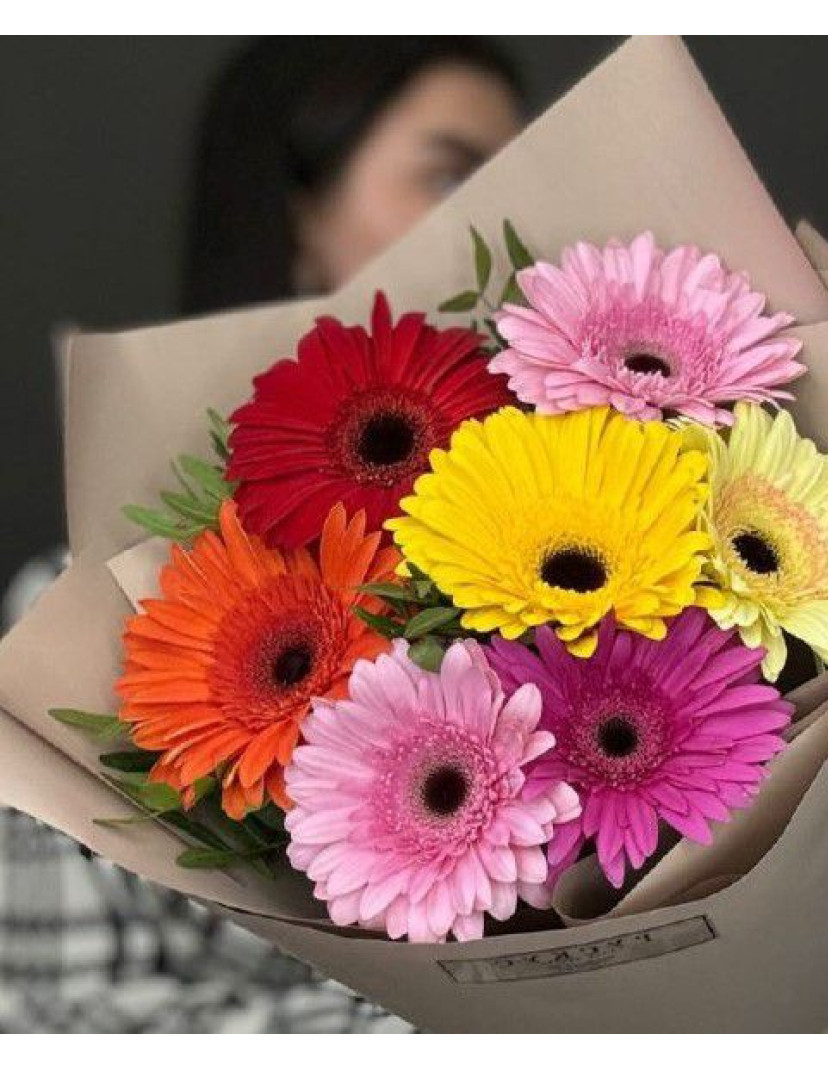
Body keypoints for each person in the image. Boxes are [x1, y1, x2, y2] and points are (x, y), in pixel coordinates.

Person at [0, 36, 525, 1034]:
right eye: (452, 174)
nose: (509, 212)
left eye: (528, 168)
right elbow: (46, 1017)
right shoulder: (89, 608)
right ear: (296, 211)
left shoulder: (597, 569)